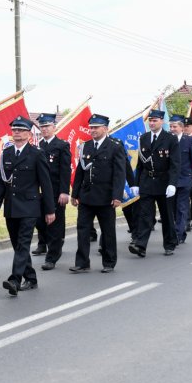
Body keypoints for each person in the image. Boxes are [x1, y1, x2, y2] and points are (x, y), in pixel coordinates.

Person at [0, 117, 55, 295]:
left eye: (20, 130)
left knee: (23, 243)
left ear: (28, 134)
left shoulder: (37, 154)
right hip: (11, 206)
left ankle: (15, 280)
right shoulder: (6, 154)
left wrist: (50, 210)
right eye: (14, 130)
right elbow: (0, 182)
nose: (16, 133)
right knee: (17, 244)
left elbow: (46, 184)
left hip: (30, 206)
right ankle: (31, 278)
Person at [70, 114, 127, 270]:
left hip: (106, 196)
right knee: (82, 230)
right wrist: (75, 194)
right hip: (86, 196)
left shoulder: (115, 146)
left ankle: (109, 262)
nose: (93, 130)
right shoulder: (85, 146)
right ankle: (82, 263)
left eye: (96, 127)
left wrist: (117, 196)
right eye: (91, 127)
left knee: (108, 231)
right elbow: (80, 172)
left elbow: (119, 174)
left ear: (105, 128)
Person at [129, 109, 178, 257]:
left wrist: (172, 183)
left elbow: (175, 164)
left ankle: (169, 244)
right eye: (150, 120)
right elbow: (139, 164)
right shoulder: (143, 138)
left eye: (155, 120)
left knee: (166, 215)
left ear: (161, 122)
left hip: (164, 182)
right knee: (145, 215)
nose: (151, 123)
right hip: (147, 182)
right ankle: (141, 245)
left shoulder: (170, 139)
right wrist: (136, 183)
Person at [32, 113, 71, 270]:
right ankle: (47, 242)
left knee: (54, 223)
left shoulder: (62, 145)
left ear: (54, 127)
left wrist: (64, 191)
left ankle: (52, 257)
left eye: (47, 126)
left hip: (55, 191)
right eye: (42, 126)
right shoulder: (37, 146)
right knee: (39, 221)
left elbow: (65, 170)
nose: (44, 129)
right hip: (39, 191)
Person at [168, 115, 192, 244]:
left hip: (184, 180)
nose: (172, 129)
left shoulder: (189, 141)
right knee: (172, 209)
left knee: (181, 208)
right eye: (170, 126)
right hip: (170, 181)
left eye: (174, 126)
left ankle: (177, 233)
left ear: (181, 127)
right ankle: (181, 231)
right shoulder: (167, 140)